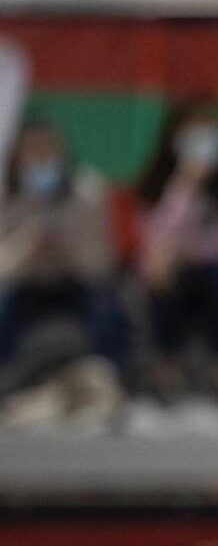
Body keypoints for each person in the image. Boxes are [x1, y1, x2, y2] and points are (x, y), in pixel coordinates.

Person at [136, 94, 218, 402]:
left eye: (211, 128)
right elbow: (155, 239)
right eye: (194, 129)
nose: (203, 140)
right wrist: (185, 186)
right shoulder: (159, 180)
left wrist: (187, 249)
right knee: (162, 273)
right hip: (180, 272)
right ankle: (167, 365)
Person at [0, 117, 131, 392]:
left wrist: (69, 249)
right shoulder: (6, 194)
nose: (41, 159)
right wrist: (28, 246)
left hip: (75, 283)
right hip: (25, 284)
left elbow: (102, 266)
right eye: (33, 152)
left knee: (109, 308)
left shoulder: (88, 192)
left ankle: (111, 379)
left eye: (49, 151)